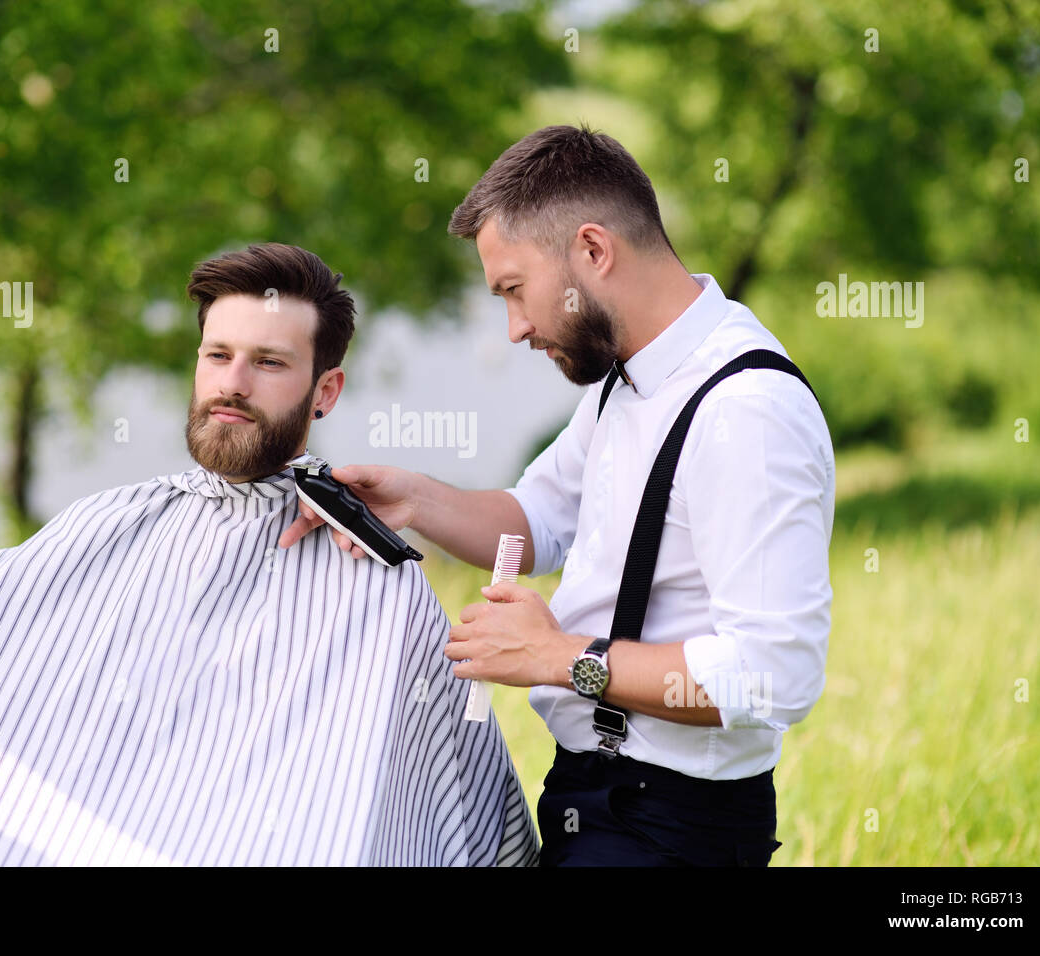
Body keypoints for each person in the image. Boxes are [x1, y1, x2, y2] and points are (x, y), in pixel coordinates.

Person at [0, 242, 538, 867]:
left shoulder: (378, 581)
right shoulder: (106, 525)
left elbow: (454, 801)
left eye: (268, 364)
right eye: (218, 355)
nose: (231, 386)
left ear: (325, 390)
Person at [280, 125, 835, 867]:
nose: (513, 328)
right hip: (593, 797)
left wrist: (560, 657)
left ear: (593, 252)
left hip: (669, 826)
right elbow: (536, 522)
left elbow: (776, 674)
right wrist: (413, 500)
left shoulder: (747, 411)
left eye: (515, 290)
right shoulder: (629, 377)